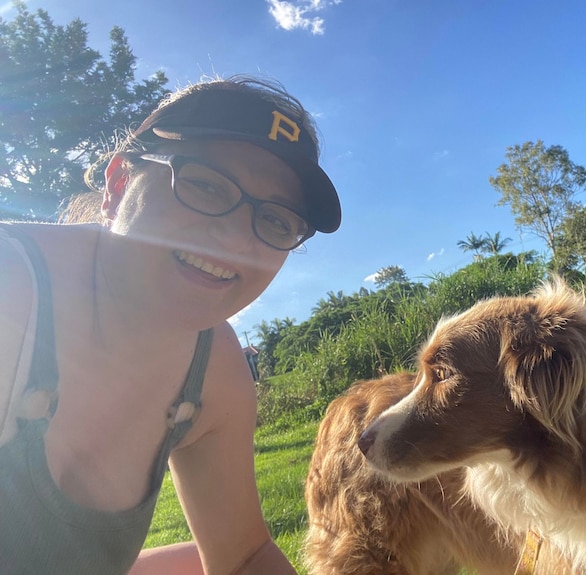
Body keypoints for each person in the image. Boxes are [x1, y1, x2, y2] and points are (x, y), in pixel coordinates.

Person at [0, 75, 341, 574]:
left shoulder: (215, 368)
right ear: (118, 184)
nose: (233, 239)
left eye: (274, 221)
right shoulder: (12, 289)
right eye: (204, 184)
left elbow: (243, 556)